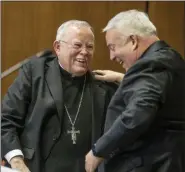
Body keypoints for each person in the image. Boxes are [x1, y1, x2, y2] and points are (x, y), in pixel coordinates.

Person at [1, 20, 118, 172]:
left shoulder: (103, 86)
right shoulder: (35, 73)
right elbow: (6, 120)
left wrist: (122, 78)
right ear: (58, 47)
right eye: (77, 45)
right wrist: (16, 161)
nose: (84, 52)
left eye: (90, 47)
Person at [85, 9, 185, 172]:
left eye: (113, 47)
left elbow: (137, 113)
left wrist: (99, 150)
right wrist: (123, 78)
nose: (111, 56)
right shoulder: (169, 58)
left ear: (133, 40)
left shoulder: (152, 65)